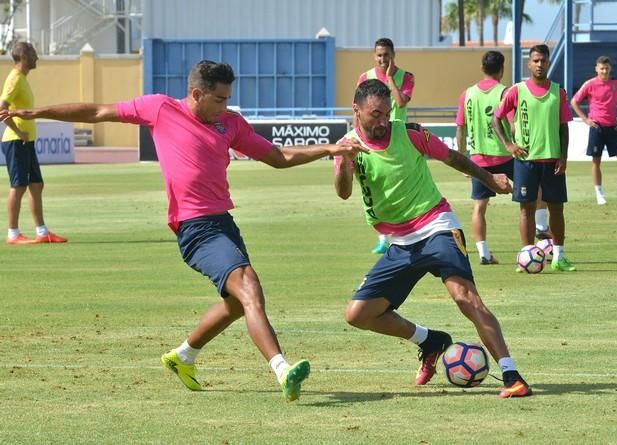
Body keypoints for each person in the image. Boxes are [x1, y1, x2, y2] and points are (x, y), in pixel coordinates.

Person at [0, 60, 367, 402]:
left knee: (237, 303)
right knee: (250, 288)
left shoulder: (231, 124)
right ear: (196, 94)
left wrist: (329, 149)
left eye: (228, 99)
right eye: (220, 99)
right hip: (193, 227)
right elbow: (97, 112)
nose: (226, 106)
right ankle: (282, 370)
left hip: (223, 222)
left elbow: (278, 157)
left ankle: (183, 355)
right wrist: (35, 113)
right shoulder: (160, 109)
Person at [334, 79, 532, 398]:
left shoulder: (409, 133)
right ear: (356, 109)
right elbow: (343, 192)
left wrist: (489, 178)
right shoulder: (345, 145)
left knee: (465, 298)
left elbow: (451, 157)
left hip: (437, 225)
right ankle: (430, 341)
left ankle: (512, 375)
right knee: (358, 314)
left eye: (387, 113)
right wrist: (344, 159)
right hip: (401, 242)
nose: (383, 121)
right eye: (375, 114)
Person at [492, 44, 576, 273]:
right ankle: (526, 255)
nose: (540, 65)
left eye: (543, 61)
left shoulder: (558, 92)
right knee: (526, 210)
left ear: (548, 63)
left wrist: (564, 156)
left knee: (557, 209)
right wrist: (509, 144)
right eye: (536, 61)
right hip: (526, 161)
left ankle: (559, 256)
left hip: (552, 160)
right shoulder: (517, 90)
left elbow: (563, 128)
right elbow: (495, 119)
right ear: (529, 63)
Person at [1, 42, 67, 245]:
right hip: (16, 140)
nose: (37, 57)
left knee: (36, 185)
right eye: (33, 53)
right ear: (23, 56)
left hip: (26, 142)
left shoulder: (22, 79)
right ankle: (13, 234)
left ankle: (42, 231)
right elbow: (1, 108)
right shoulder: (14, 80)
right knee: (18, 186)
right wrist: (18, 130)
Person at [355, 37, 415, 254]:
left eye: (386, 55)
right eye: (379, 55)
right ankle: (383, 237)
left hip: (397, 138)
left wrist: (390, 78)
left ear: (393, 55)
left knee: (400, 186)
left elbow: (399, 102)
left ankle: (404, 231)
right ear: (374, 55)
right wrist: (356, 135)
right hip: (372, 138)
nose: (383, 59)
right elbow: (358, 110)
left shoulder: (406, 77)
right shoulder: (365, 77)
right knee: (375, 185)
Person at [456, 50, 514, 265]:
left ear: (482, 68)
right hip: (505, 156)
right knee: (534, 195)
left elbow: (460, 128)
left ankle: (483, 253)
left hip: (478, 159)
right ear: (502, 69)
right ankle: (540, 230)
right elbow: (512, 124)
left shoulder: (467, 94)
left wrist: (462, 158)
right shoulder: (504, 92)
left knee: (480, 207)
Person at [570, 55, 617, 205]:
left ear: (610, 69)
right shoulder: (589, 84)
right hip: (597, 127)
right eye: (602, 68)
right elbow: (574, 102)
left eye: (607, 68)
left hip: (613, 127)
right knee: (596, 161)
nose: (604, 71)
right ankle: (599, 194)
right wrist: (585, 119)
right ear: (597, 69)